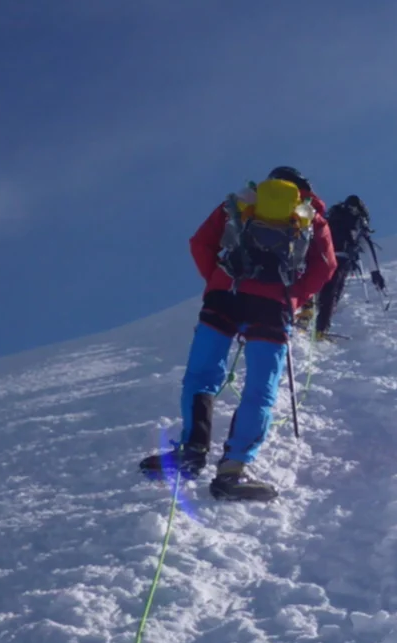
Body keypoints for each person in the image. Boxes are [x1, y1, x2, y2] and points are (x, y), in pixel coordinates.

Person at [140, 166, 337, 500]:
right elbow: (326, 266)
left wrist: (218, 281)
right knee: (260, 388)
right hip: (273, 306)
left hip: (224, 297)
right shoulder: (310, 215)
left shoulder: (242, 202)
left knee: (201, 375)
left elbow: (200, 243)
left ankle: (192, 451)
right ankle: (233, 470)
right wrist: (292, 298)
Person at [313, 194, 386, 337]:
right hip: (341, 259)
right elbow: (367, 247)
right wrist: (375, 273)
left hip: (322, 255)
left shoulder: (334, 216)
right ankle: (321, 329)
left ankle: (306, 312)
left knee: (315, 284)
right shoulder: (357, 221)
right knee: (332, 292)